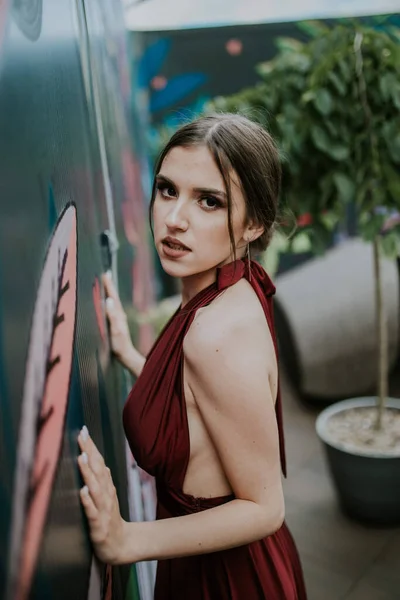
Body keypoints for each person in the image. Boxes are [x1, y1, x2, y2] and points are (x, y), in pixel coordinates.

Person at [77, 114, 307, 599]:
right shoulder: (231, 286)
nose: (175, 219)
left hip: (226, 580)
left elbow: (265, 508)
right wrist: (132, 357)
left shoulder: (215, 334)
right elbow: (204, 411)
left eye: (209, 201)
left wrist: (126, 539)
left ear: (254, 224)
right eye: (166, 190)